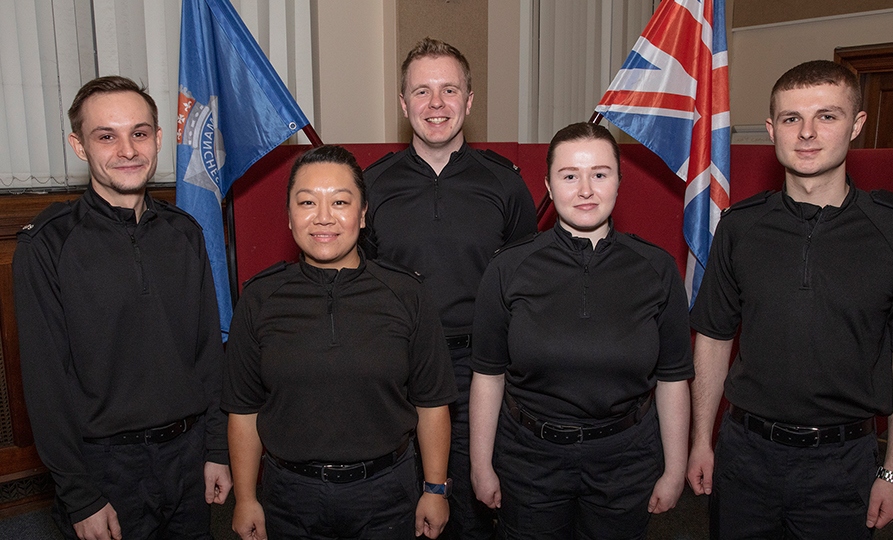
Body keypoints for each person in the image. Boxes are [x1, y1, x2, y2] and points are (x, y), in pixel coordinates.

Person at [686, 60, 893, 539]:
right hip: (744, 454)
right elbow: (713, 337)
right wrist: (702, 439)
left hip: (844, 463)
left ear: (857, 124)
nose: (807, 133)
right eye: (791, 119)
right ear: (772, 130)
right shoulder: (740, 227)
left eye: (827, 116)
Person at [13, 76, 231, 540]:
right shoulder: (47, 245)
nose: (127, 149)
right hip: (104, 469)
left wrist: (217, 448)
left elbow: (209, 352)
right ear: (79, 146)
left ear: (157, 137)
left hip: (188, 457)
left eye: (140, 132)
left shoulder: (185, 233)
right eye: (106, 136)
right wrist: (79, 494)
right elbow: (45, 384)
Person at [469, 122, 694, 539]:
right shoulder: (508, 268)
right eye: (570, 175)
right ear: (550, 187)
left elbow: (674, 377)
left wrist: (675, 469)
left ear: (619, 182)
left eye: (600, 174)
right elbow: (487, 375)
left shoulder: (657, 268)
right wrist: (481, 467)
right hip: (530, 460)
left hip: (625, 461)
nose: (585, 189)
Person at [223, 145, 458, 540]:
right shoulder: (259, 299)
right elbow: (244, 411)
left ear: (363, 214)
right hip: (290, 496)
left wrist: (435, 489)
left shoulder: (406, 294)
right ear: (289, 216)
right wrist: (246, 497)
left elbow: (432, 403)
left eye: (341, 202)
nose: (324, 217)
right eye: (307, 202)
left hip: (387, 493)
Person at [363, 37, 538, 539]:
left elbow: (527, 285)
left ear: (469, 99)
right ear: (403, 104)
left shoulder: (505, 184)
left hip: (479, 369)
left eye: (449, 90)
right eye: (422, 91)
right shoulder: (371, 187)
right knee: (400, 504)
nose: (436, 104)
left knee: (474, 506)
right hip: (397, 368)